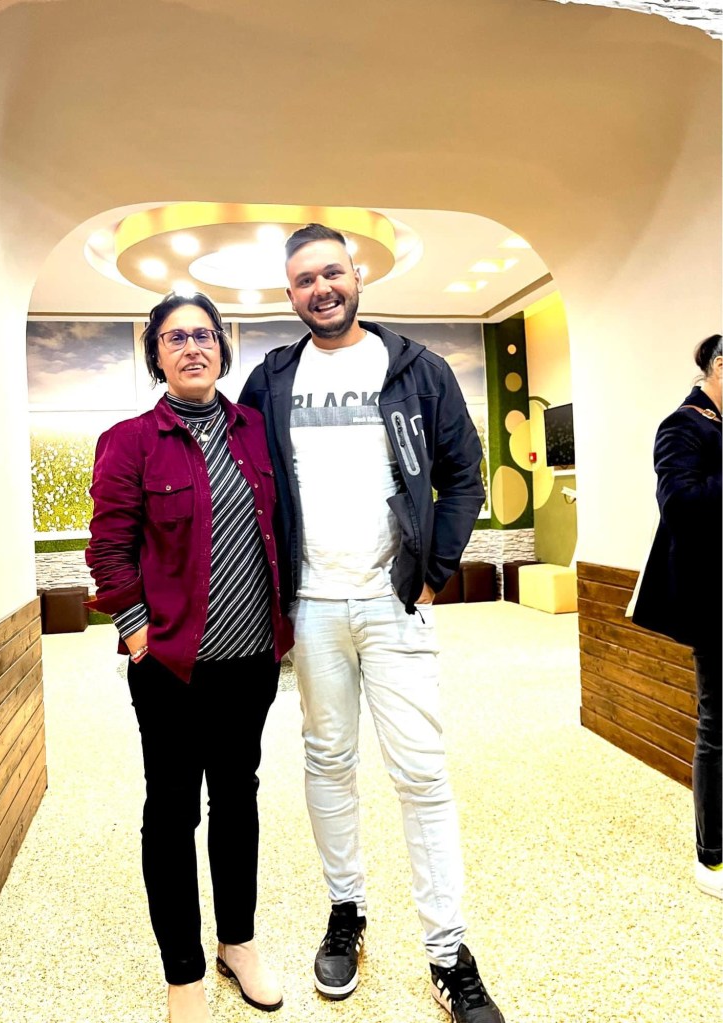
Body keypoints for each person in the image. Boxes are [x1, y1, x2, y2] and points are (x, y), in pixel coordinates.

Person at [240, 224, 504, 1023]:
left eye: (332, 272)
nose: (320, 288)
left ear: (356, 276)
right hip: (312, 604)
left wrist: (432, 570)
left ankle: (448, 951)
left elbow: (464, 474)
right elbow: (249, 482)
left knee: (421, 773)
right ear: (289, 293)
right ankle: (345, 911)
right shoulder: (270, 379)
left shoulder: (416, 369)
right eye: (303, 279)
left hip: (395, 601)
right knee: (327, 761)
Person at [86, 291, 293, 1023]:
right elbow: (109, 547)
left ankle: (238, 942)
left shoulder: (256, 432)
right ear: (157, 356)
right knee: (171, 812)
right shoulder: (129, 441)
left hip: (252, 661)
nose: (192, 347)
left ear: (221, 349)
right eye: (174, 337)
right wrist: (138, 631)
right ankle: (183, 974)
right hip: (170, 668)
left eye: (204, 334)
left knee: (237, 799)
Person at [632, 334, 722, 900]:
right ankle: (713, 855)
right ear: (719, 367)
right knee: (719, 726)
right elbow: (680, 504)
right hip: (714, 599)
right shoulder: (683, 426)